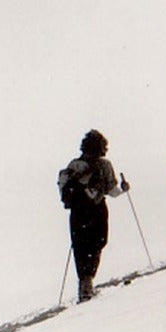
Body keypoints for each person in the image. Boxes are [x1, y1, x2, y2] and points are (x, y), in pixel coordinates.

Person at [59, 129, 130, 302]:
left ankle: (84, 284)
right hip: (97, 209)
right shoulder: (104, 165)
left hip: (77, 212)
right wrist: (124, 190)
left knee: (80, 246)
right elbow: (112, 191)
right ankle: (88, 282)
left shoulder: (74, 165)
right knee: (97, 243)